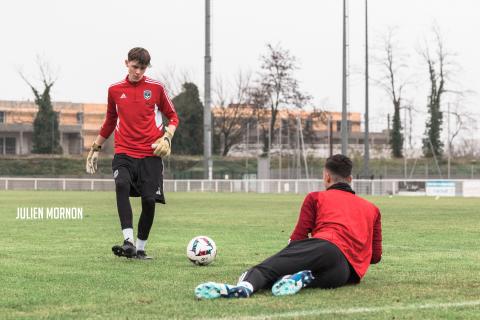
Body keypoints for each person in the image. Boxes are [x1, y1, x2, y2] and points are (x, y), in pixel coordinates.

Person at [194, 154, 382, 299]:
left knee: (265, 270)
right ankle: (297, 279)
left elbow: (298, 239)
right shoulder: (373, 209)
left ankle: (244, 287)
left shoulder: (316, 197)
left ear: (326, 177)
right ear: (350, 179)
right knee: (298, 277)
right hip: (345, 273)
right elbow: (375, 257)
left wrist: (290, 256)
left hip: (325, 247)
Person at [85, 47, 179, 260]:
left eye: (142, 68)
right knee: (121, 185)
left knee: (148, 200)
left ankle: (140, 247)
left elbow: (173, 117)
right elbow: (110, 121)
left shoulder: (156, 88)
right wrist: (96, 147)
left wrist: (167, 137)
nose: (138, 72)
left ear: (147, 68)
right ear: (126, 63)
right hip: (124, 152)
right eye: (135, 66)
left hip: (150, 154)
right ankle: (127, 241)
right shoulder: (114, 90)